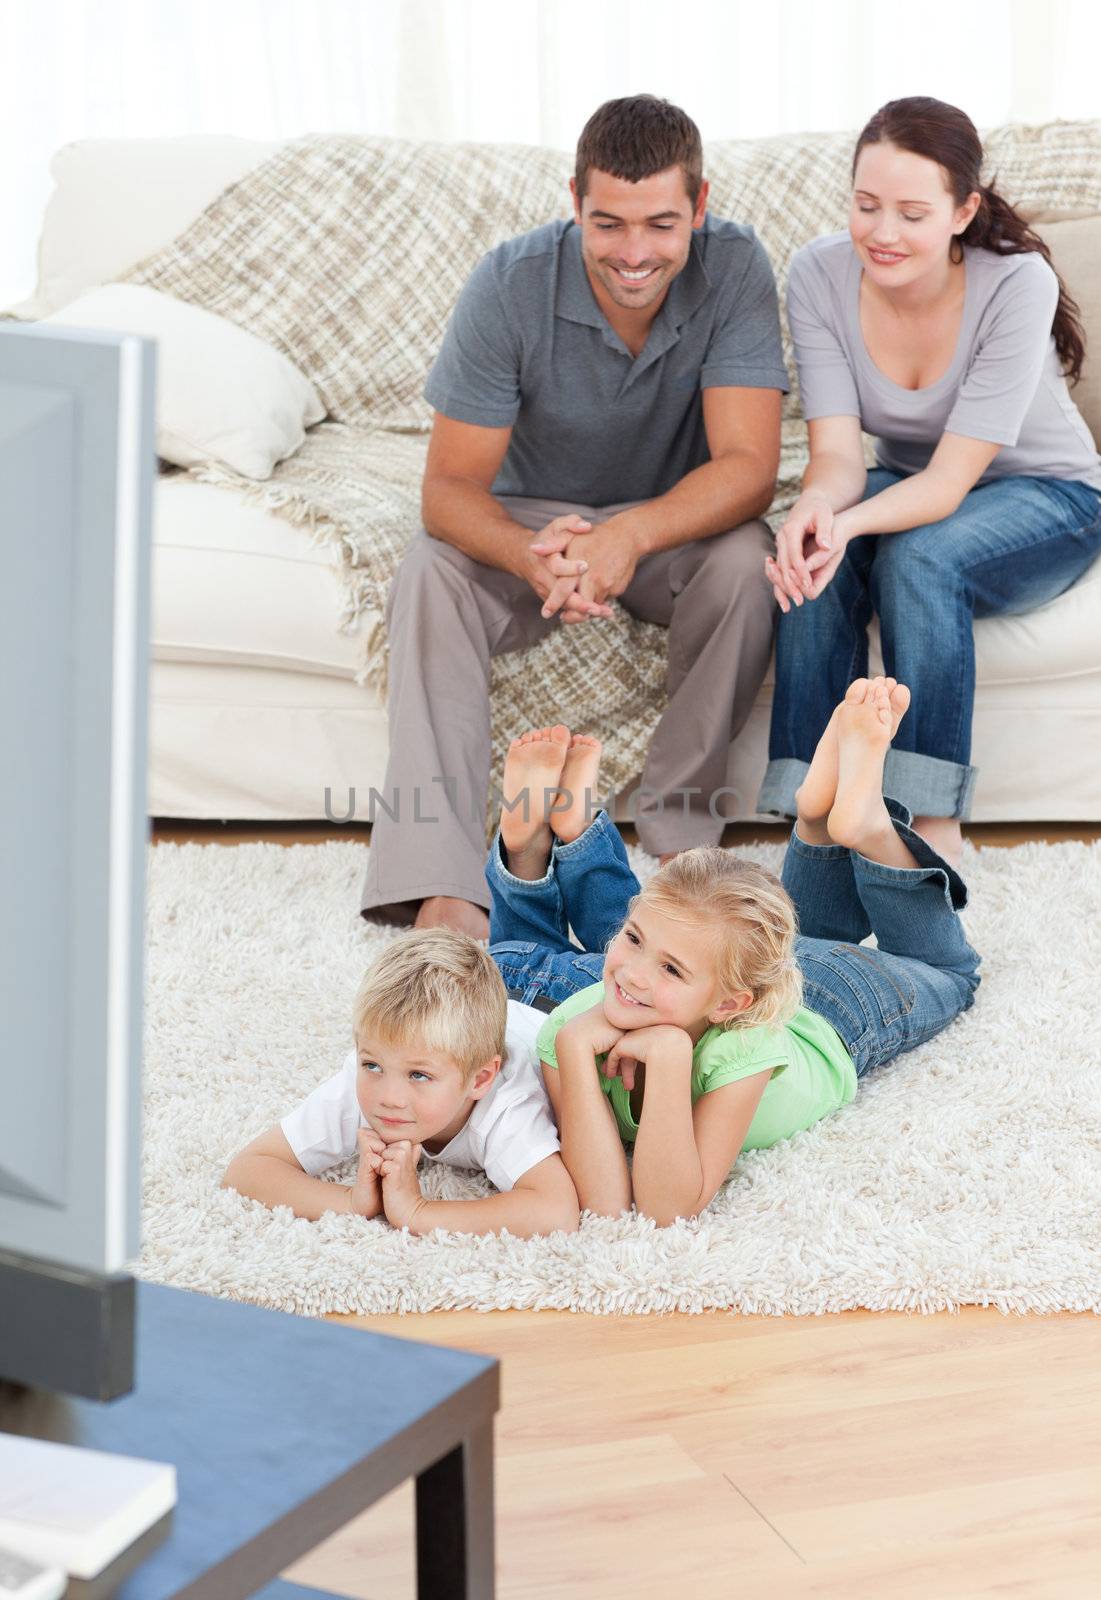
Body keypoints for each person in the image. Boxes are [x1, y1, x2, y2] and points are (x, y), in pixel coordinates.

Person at [360, 93, 788, 937]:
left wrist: (631, 534)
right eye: (608, 224)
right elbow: (446, 490)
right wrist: (525, 554)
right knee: (429, 567)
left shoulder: (735, 266)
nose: (634, 253)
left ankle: (678, 842)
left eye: (661, 225)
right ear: (574, 203)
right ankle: (443, 881)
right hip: (533, 521)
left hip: (667, 522)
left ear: (699, 207)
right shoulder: (508, 284)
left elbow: (747, 470)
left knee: (746, 559)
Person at [485, 680, 980, 1224]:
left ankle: (868, 830)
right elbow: (602, 1203)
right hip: (725, 969)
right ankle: (817, 821)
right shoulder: (581, 1023)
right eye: (629, 939)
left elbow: (664, 1210)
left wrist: (673, 1057)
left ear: (728, 1007)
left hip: (836, 1007)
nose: (631, 973)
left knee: (950, 974)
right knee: (669, 929)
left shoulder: (741, 1050)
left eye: (667, 969)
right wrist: (576, 1049)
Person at [758, 96, 1101, 866]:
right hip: (906, 484)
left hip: (1051, 495)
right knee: (816, 560)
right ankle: (811, 814)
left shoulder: (1014, 283)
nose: (883, 233)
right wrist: (817, 513)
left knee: (920, 559)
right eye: (865, 206)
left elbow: (947, 486)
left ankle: (927, 821)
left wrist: (849, 522)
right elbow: (841, 459)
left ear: (961, 210)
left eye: (911, 213)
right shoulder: (817, 274)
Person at [221, 930, 579, 1237]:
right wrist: (351, 1201)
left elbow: (557, 1211)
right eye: (373, 1064)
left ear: (480, 1079)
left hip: (567, 993)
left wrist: (418, 1212)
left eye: (419, 1075)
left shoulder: (506, 1104)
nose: (388, 1098)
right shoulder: (361, 1084)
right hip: (499, 971)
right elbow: (249, 1168)